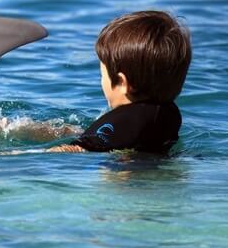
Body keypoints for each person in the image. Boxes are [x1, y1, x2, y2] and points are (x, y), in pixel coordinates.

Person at [47, 10, 191, 153]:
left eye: (102, 75)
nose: (102, 81)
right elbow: (122, 134)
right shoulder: (167, 113)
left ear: (122, 83)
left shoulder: (127, 118)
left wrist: (33, 154)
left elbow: (80, 149)